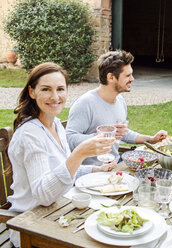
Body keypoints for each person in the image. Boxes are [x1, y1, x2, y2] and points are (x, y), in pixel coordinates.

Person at [7, 62, 116, 247]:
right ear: (32, 92)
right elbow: (43, 195)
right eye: (46, 89)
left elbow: (61, 169)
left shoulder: (55, 124)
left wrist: (95, 169)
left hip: (60, 211)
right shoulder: (29, 135)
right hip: (30, 226)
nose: (55, 97)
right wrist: (79, 153)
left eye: (60, 89)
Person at [66, 50, 168, 165]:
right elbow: (69, 139)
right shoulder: (85, 103)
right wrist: (99, 137)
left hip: (114, 164)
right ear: (111, 77)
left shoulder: (120, 100)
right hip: (91, 172)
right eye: (128, 75)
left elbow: (122, 133)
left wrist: (151, 139)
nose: (132, 79)